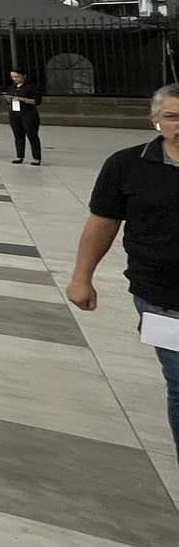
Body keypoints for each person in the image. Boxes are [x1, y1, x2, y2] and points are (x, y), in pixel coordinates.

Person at [66, 84, 179, 460]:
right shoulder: (126, 164)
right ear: (155, 121)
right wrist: (82, 276)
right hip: (160, 294)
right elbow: (102, 223)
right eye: (172, 117)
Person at [6, 65, 43, 165]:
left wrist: (22, 99)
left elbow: (36, 101)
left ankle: (36, 157)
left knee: (32, 135)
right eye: (13, 77)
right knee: (18, 135)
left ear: (24, 76)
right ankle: (19, 155)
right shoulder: (12, 87)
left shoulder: (31, 87)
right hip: (15, 113)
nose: (15, 79)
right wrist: (9, 99)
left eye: (17, 77)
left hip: (28, 113)